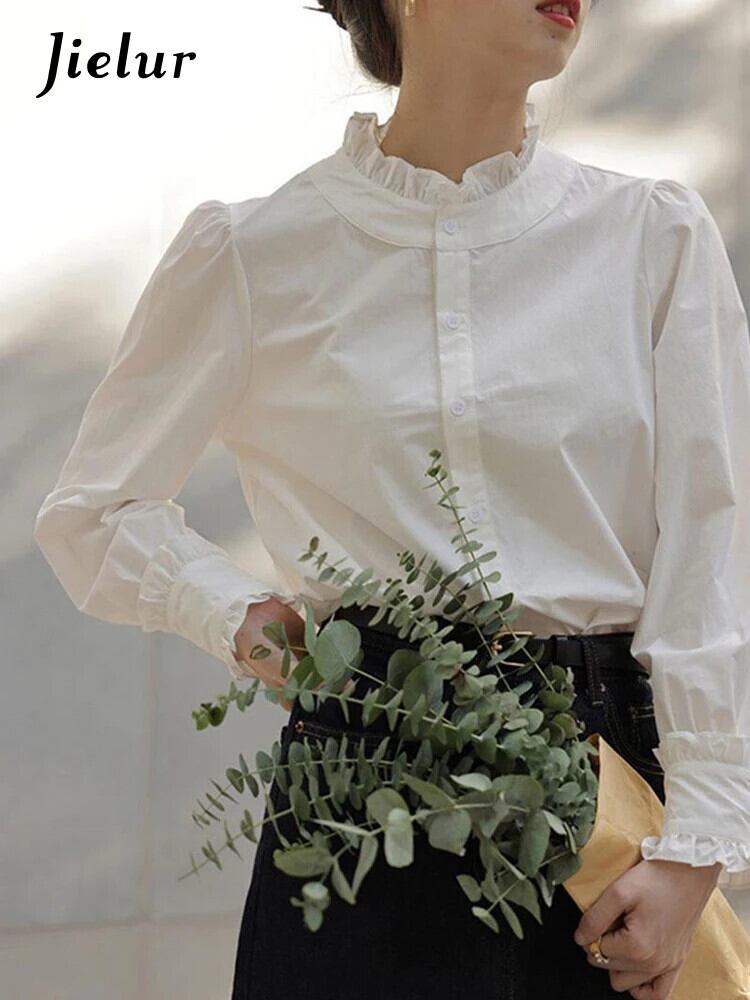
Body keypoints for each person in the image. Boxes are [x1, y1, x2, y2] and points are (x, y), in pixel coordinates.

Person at [33, 0, 750, 997]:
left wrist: (698, 844)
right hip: (366, 791)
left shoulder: (650, 237)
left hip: (607, 808)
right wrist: (240, 617)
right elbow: (94, 510)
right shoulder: (253, 252)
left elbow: (713, 549)